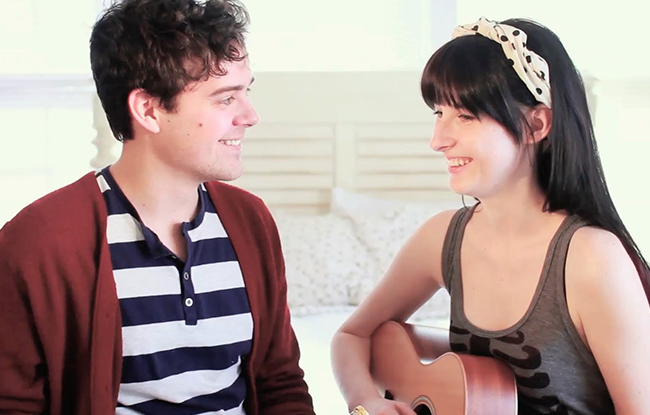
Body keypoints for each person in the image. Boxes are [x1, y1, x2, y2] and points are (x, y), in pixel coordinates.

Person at [0, 1, 315, 414]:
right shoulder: (39, 241)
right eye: (225, 99)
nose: (250, 116)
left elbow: (280, 382)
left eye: (246, 92)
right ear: (148, 110)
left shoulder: (250, 220)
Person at [331, 17, 650, 415]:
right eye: (438, 113)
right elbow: (353, 335)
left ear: (536, 124)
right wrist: (367, 404)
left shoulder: (591, 257)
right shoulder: (442, 239)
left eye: (465, 116)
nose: (437, 140)